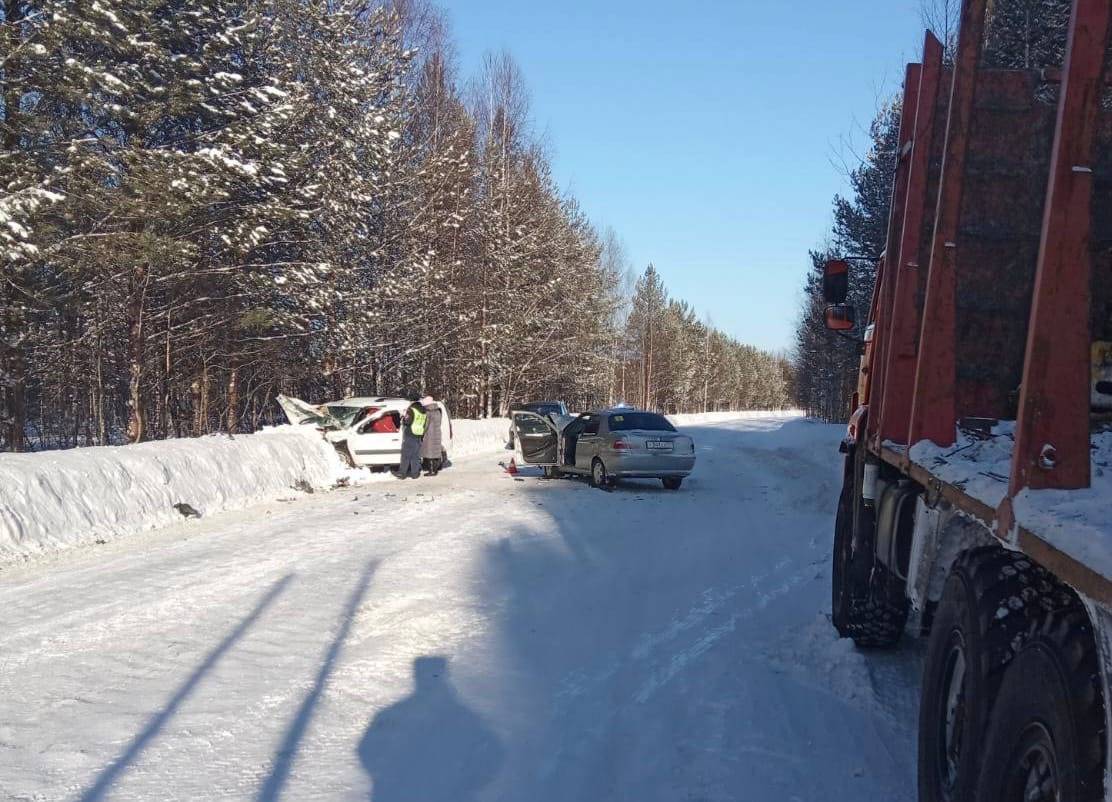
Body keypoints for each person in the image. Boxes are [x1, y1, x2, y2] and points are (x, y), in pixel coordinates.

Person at [395, 397, 427, 479]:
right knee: (415, 455)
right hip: (419, 434)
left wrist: (403, 417)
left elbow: (407, 421)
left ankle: (402, 473)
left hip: (410, 433)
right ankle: (415, 473)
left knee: (406, 455)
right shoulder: (423, 411)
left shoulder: (411, 410)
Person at [420, 395, 444, 476]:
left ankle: (432, 471)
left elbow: (426, 425)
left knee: (429, 452)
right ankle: (436, 468)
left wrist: (422, 432)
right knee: (435, 451)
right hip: (437, 433)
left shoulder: (428, 412)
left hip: (430, 434)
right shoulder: (438, 411)